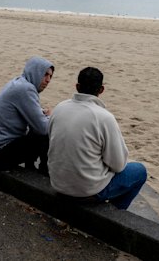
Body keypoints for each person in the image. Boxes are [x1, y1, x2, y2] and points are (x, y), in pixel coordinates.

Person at [48, 67, 147, 210]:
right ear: (101, 90)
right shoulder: (104, 117)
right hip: (86, 191)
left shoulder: (59, 108)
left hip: (58, 184)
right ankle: (114, 213)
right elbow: (118, 165)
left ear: (77, 87)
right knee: (139, 171)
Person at [0, 56, 54, 175]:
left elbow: (28, 111)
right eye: (45, 74)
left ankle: (30, 166)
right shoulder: (26, 90)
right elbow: (43, 128)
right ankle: (44, 172)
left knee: (38, 124)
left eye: (50, 76)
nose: (48, 80)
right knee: (48, 129)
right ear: (35, 72)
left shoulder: (18, 82)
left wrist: (42, 113)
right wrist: (50, 116)